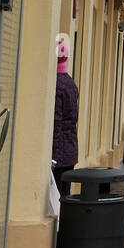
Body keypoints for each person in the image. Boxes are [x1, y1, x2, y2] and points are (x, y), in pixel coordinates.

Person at [53, 36, 79, 192]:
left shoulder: (56, 85)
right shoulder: (70, 83)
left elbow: (56, 122)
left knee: (55, 197)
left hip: (60, 152)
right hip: (70, 148)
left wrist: (53, 157)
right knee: (65, 194)